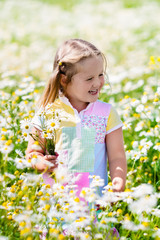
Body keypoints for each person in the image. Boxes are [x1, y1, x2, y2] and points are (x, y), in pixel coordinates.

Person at [26, 39, 127, 195]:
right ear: (64, 79)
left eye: (100, 75)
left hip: (95, 203)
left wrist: (118, 183)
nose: (97, 83)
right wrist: (41, 163)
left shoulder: (106, 113)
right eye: (89, 79)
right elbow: (32, 154)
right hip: (58, 206)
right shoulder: (47, 113)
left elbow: (117, 156)